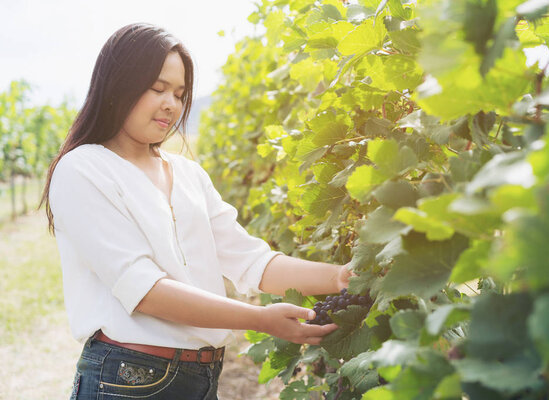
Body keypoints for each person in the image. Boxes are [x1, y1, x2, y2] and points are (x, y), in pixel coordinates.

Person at [39, 23, 350, 399]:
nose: (171, 104)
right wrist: (258, 320)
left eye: (180, 93)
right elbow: (145, 290)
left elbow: (252, 262)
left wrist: (341, 277)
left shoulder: (187, 174)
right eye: (157, 88)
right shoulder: (83, 169)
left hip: (202, 379)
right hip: (128, 381)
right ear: (117, 85)